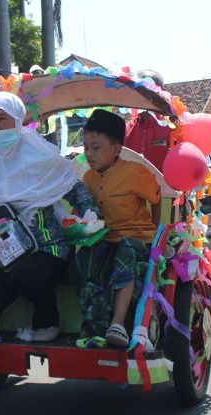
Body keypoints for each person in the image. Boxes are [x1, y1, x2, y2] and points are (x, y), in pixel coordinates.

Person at [0, 91, 97, 415]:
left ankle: (48, 323)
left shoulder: (40, 154)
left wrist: (90, 210)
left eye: (2, 119)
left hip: (46, 247)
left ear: (18, 121)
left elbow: (72, 185)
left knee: (28, 275)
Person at [75, 109, 161, 349]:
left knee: (125, 249)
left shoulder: (135, 173)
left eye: (96, 148)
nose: (89, 154)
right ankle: (94, 323)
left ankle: (118, 323)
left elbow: (157, 200)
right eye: (86, 148)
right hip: (104, 239)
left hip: (136, 239)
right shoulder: (88, 178)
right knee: (84, 259)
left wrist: (155, 235)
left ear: (116, 150)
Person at [124, 70, 172, 171]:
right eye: (141, 89)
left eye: (152, 89)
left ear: (162, 92)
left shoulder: (172, 127)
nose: (146, 94)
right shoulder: (125, 130)